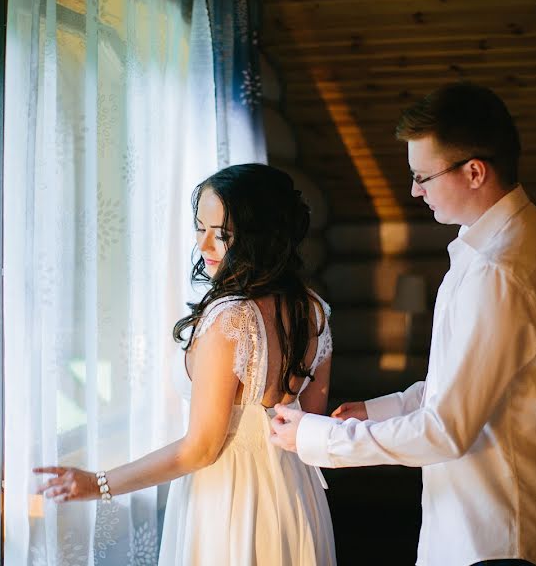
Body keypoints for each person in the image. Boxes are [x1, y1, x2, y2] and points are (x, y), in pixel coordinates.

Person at [270, 83, 536, 566]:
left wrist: (315, 439)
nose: (414, 190)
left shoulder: (498, 270)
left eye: (423, 175)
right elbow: (465, 386)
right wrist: (375, 411)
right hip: (497, 520)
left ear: (475, 172)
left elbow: (446, 429)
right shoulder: (525, 234)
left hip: (501, 535)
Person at [35, 164, 336, 565]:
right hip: (294, 494)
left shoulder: (231, 319)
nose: (205, 245)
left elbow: (200, 449)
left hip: (231, 499)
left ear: (260, 237)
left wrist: (99, 483)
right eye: (200, 228)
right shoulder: (312, 309)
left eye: (223, 235)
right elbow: (308, 420)